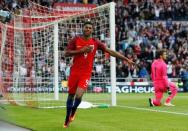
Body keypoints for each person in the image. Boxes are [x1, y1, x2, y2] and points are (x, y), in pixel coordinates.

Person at [63, 19, 135, 128]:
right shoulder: (75, 40)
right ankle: (67, 117)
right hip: (74, 72)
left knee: (79, 95)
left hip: (85, 74)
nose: (88, 29)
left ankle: (73, 111)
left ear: (92, 30)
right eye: (86, 27)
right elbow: (66, 53)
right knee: (71, 95)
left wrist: (126, 59)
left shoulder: (95, 42)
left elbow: (110, 51)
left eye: (90, 28)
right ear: (83, 28)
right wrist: (82, 50)